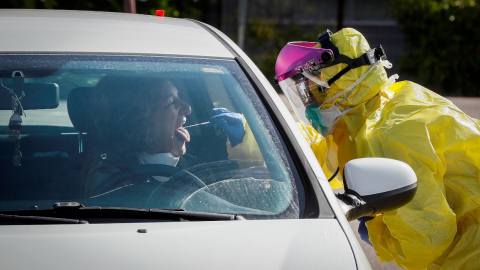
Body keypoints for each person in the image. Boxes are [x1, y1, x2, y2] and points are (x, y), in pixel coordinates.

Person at [274, 28, 480, 269]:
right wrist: (253, 132)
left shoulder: (386, 135)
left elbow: (425, 239)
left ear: (339, 85)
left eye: (314, 91)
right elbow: (318, 149)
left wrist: (377, 234)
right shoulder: (387, 102)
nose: (310, 103)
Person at [82, 76, 262, 197]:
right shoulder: (105, 173)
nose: (187, 108)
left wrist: (244, 143)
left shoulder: (195, 158)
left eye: (180, 97)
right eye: (171, 103)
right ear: (138, 121)